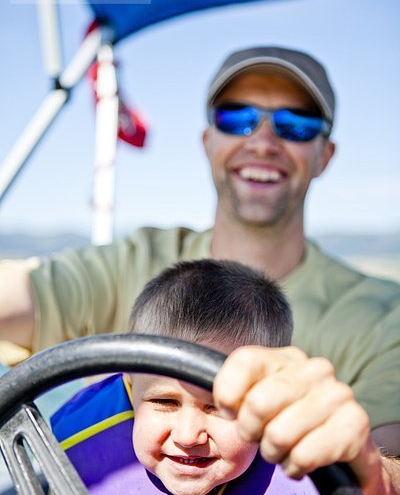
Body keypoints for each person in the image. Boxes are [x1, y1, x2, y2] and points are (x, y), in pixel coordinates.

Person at [0, 45, 399, 451]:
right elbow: (13, 294)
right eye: (237, 118)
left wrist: (361, 466)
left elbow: (389, 483)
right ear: (208, 142)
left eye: (294, 124)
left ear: (325, 156)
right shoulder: (136, 260)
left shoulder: (386, 318)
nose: (262, 142)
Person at [51, 260, 387, 495]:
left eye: (218, 407)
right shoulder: (77, 437)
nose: (187, 435)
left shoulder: (310, 471)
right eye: (164, 402)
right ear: (129, 387)